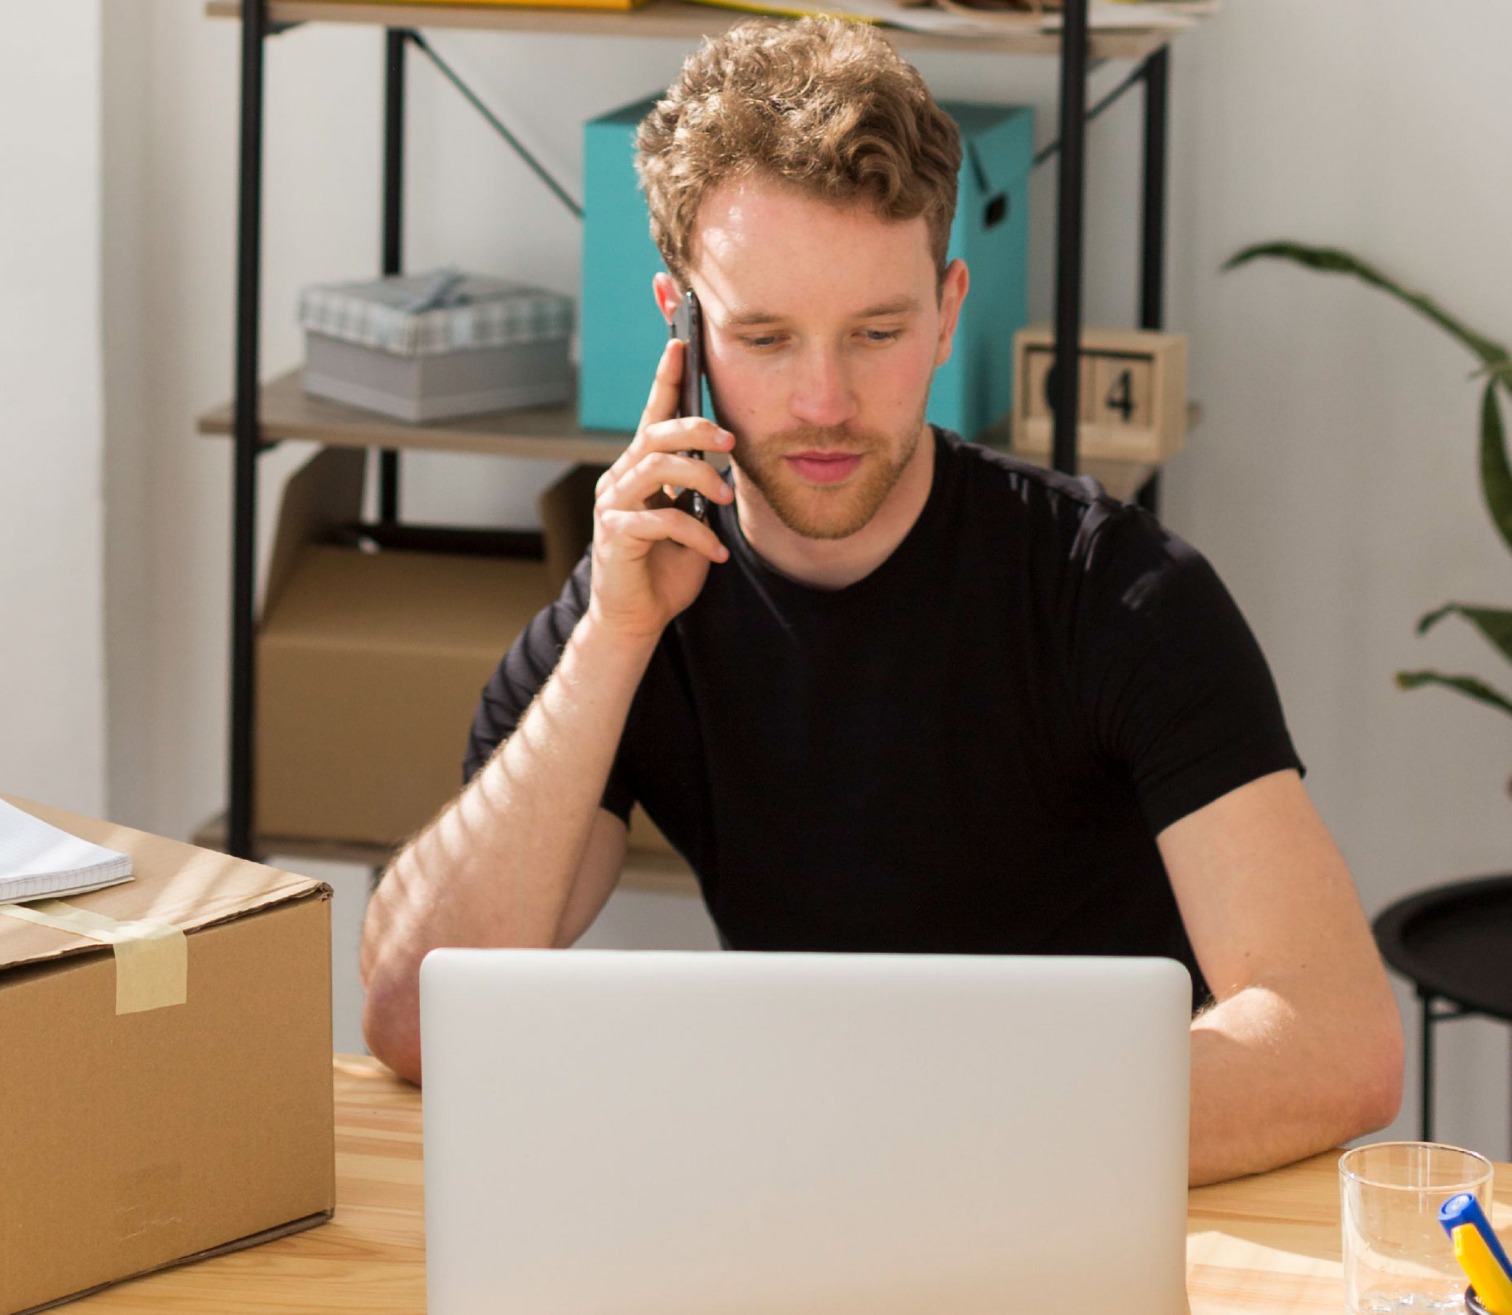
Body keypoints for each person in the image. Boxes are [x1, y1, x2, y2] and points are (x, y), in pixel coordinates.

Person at [360, 17, 1402, 1184]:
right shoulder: (638, 598)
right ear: (682, 324)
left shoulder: (1119, 595)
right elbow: (413, 1018)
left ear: (949, 307)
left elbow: (1337, 1042)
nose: (822, 401)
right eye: (762, 337)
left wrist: (922, 1145)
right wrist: (614, 639)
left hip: (1084, 1203)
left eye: (877, 332)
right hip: (813, 1204)